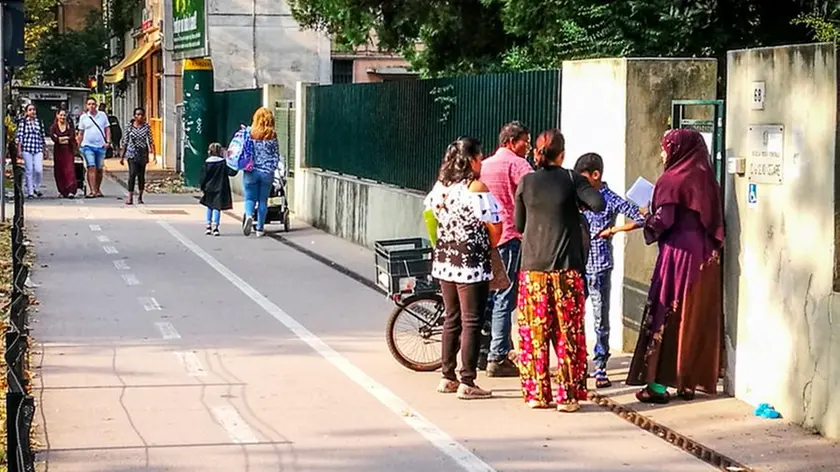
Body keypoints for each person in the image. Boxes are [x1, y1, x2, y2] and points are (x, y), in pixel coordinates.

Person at [626, 128, 724, 404]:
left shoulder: (671, 180)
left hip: (677, 255)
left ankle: (657, 387)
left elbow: (663, 220)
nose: (662, 153)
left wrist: (646, 216)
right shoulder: (707, 178)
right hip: (705, 259)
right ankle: (688, 383)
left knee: (667, 313)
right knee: (694, 317)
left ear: (678, 150)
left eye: (666, 147)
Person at [514, 129, 605, 412]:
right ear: (563, 155)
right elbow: (598, 204)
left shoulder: (526, 182)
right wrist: (575, 204)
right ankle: (567, 396)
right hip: (566, 270)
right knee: (568, 333)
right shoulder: (571, 179)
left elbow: (519, 225)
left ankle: (537, 395)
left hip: (533, 270)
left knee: (534, 333)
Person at [424, 137, 502, 400]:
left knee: (451, 317)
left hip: (445, 260)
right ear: (471, 160)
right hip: (471, 262)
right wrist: (486, 240)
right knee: (472, 320)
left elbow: (430, 215)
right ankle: (467, 380)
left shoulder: (440, 188)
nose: (481, 162)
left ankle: (447, 376)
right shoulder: (475, 187)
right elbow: (496, 227)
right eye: (480, 158)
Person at [573, 152, 645, 389]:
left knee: (600, 317)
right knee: (575, 315)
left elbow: (640, 217)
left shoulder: (609, 198)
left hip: (600, 264)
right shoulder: (578, 197)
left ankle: (601, 364)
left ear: (596, 175)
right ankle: (579, 363)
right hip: (578, 263)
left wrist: (613, 230)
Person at [479, 121, 533, 377]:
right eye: (525, 141)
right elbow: (535, 193)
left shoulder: (486, 165)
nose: (529, 146)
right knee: (505, 296)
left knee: (490, 295)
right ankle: (497, 355)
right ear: (512, 142)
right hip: (511, 236)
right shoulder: (517, 164)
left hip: (488, 237)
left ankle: (486, 349)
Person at [241, 107, 280, 238]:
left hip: (251, 170)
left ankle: (249, 215)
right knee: (263, 201)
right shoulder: (272, 135)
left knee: (249, 198)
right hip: (267, 172)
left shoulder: (249, 133)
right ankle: (260, 229)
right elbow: (276, 155)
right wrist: (272, 167)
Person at [76, 97, 111, 198]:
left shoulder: (102, 115)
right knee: (91, 167)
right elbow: (81, 133)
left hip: (100, 146)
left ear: (96, 105)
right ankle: (92, 190)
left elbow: (107, 129)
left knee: (99, 169)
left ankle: (97, 188)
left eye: (93, 104)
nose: (91, 106)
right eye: (89, 104)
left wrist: (108, 141)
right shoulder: (84, 117)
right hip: (87, 146)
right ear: (86, 106)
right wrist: (78, 146)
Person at [200, 143, 236, 236]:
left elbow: (203, 177)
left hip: (209, 188)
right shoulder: (222, 163)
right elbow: (231, 172)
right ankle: (215, 226)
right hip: (220, 188)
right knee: (217, 207)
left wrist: (202, 187)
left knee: (209, 206)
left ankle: (208, 225)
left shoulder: (207, 163)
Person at [120, 107, 154, 205]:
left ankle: (140, 196)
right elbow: (125, 141)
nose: (140, 117)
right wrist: (122, 156)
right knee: (132, 174)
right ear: (134, 116)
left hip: (142, 153)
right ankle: (130, 197)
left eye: (141, 115)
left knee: (141, 175)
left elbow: (150, 140)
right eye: (138, 114)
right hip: (131, 153)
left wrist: (153, 154)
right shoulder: (129, 126)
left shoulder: (146, 127)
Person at [16, 104, 46, 198]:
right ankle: (30, 192)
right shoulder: (23, 122)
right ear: (26, 112)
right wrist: (19, 150)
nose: (32, 111)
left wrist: (45, 149)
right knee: (29, 170)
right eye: (30, 110)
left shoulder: (39, 122)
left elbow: (42, 136)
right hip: (27, 149)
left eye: (33, 109)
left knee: (38, 170)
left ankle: (35, 187)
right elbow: (20, 137)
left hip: (37, 149)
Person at [50, 109, 77, 198]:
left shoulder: (69, 126)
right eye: (61, 115)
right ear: (57, 116)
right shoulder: (54, 127)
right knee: (59, 170)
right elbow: (54, 138)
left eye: (64, 115)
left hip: (68, 151)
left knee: (70, 170)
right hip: (58, 151)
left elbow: (71, 137)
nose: (62, 117)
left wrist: (62, 138)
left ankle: (71, 191)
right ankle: (62, 191)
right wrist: (61, 139)